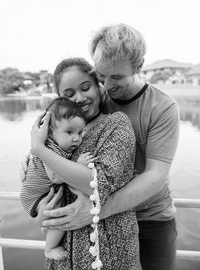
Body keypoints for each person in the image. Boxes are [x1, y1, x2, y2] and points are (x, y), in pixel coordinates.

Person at [36, 24, 180, 270]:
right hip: (102, 218)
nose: (107, 85)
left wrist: (95, 211)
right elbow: (56, 143)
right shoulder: (93, 100)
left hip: (150, 217)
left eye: (116, 77)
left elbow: (156, 175)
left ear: (138, 66)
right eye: (101, 76)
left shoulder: (162, 107)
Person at [21, 57, 141, 270]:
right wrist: (41, 213)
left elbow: (96, 185)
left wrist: (39, 149)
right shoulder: (54, 135)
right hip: (62, 258)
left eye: (86, 87)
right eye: (69, 94)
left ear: (98, 86)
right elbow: (37, 180)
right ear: (60, 98)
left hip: (109, 252)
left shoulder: (116, 124)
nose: (79, 98)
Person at [27, 96, 96, 260]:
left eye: (80, 132)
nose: (77, 138)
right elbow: (56, 177)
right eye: (69, 132)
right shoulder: (49, 148)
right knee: (61, 213)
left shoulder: (56, 145)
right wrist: (79, 164)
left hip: (43, 192)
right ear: (50, 133)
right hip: (36, 196)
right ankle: (49, 248)